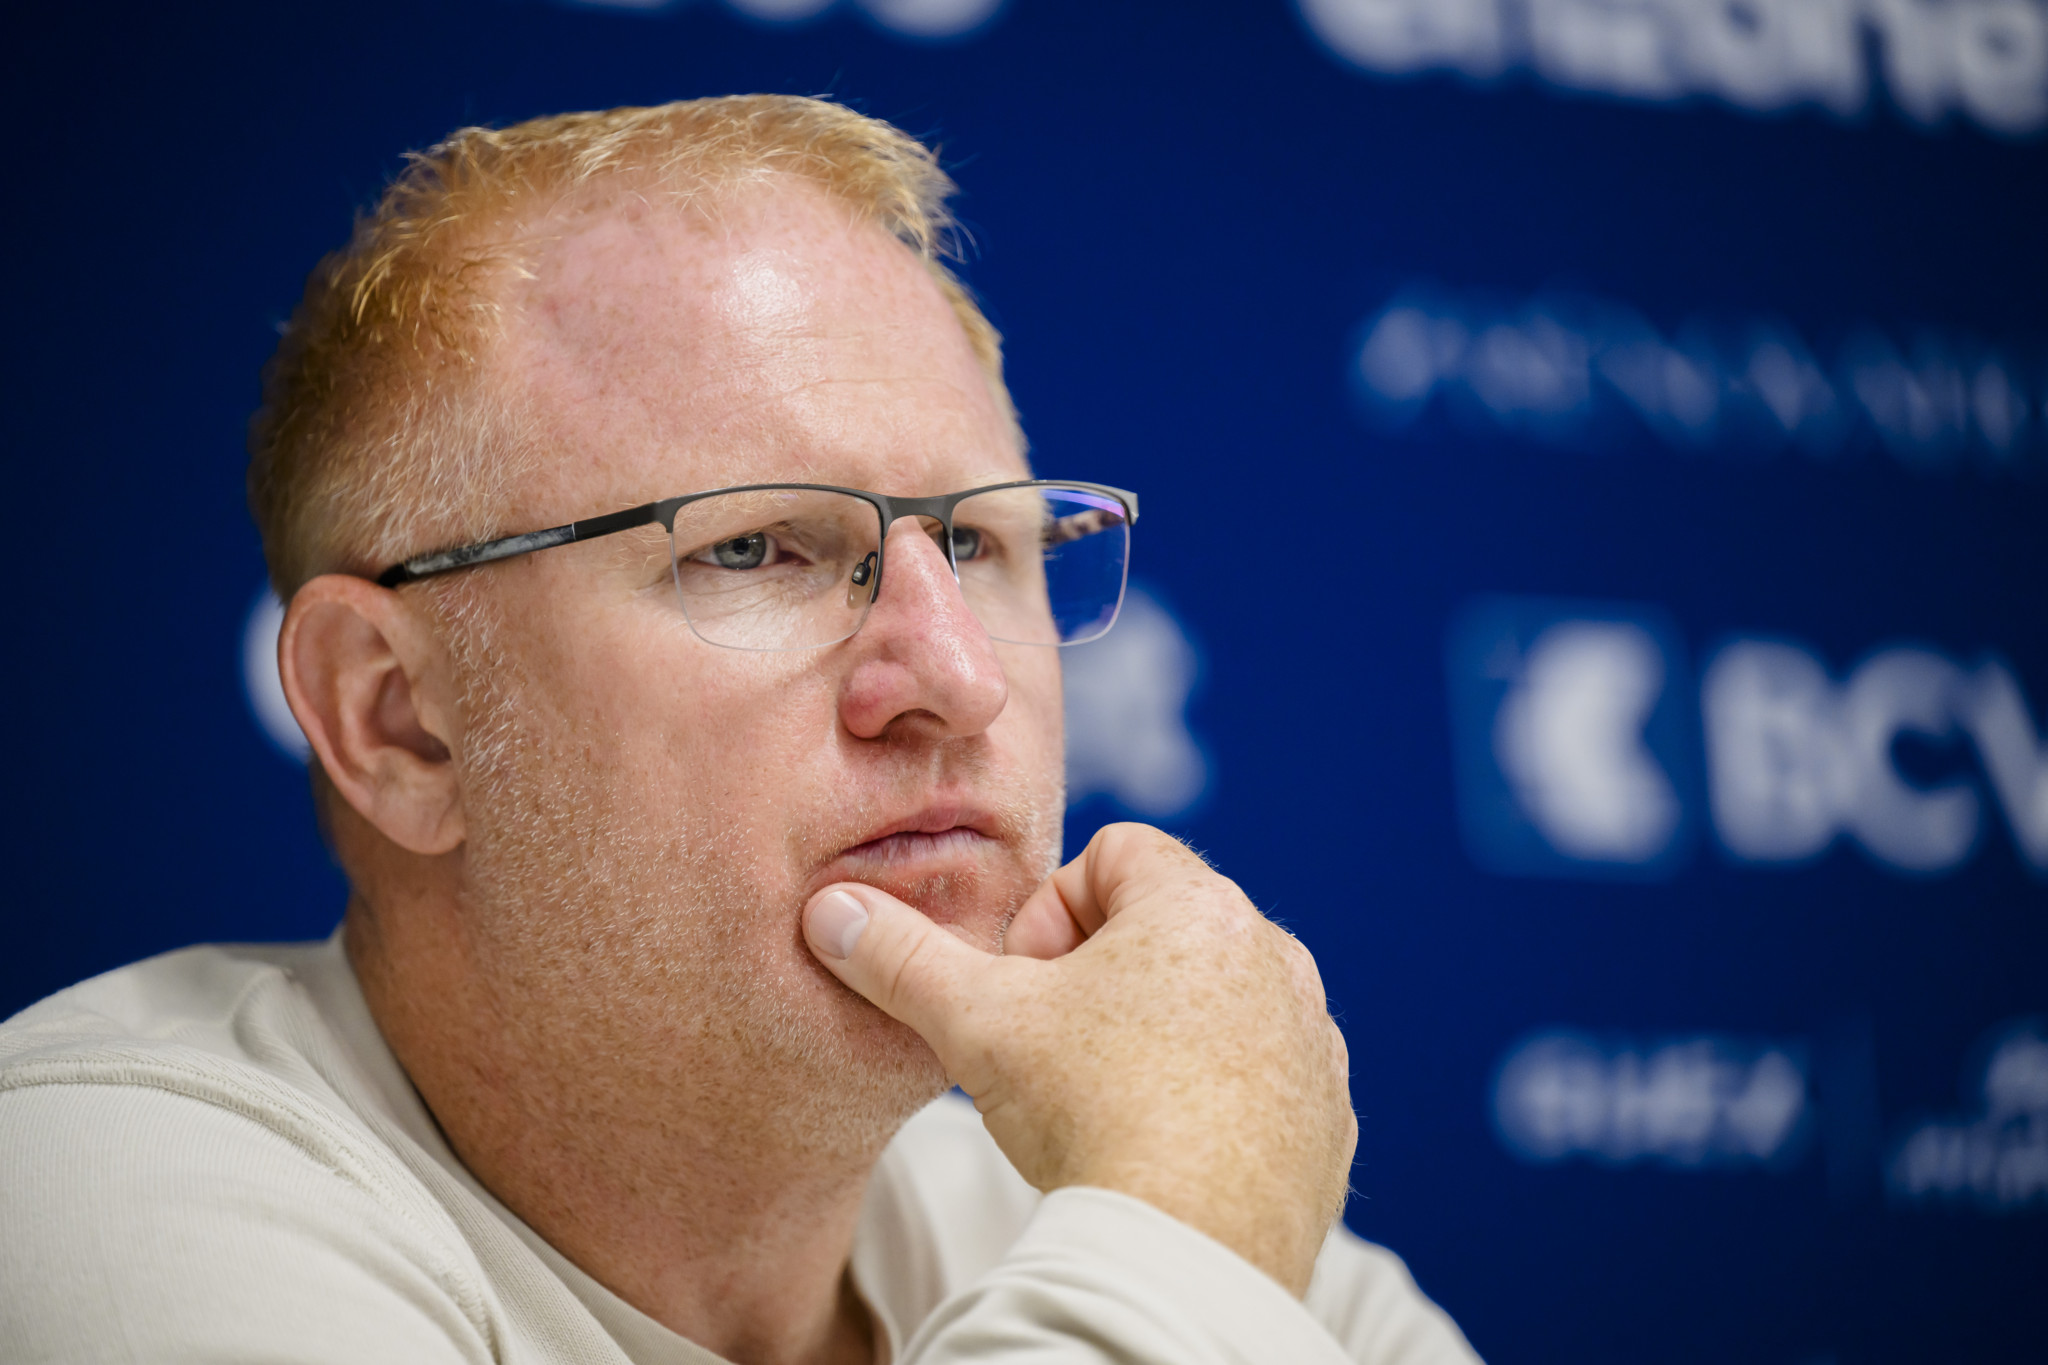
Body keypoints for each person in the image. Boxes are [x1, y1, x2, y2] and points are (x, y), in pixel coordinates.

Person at [0, 96, 1479, 1365]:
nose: (957, 677)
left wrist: (1175, 1210)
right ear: (400, 722)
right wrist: (1191, 1217)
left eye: (977, 544)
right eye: (755, 548)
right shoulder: (105, 1198)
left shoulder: (1092, 1210)